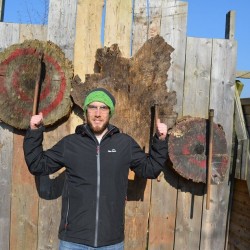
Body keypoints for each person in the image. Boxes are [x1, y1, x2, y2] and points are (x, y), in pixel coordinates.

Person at [23, 87, 168, 250]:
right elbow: (38, 165)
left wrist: (160, 141)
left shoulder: (124, 144)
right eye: (92, 107)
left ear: (110, 112)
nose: (97, 113)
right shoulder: (71, 144)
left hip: (111, 242)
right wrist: (34, 132)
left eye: (103, 107)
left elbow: (150, 169)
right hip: (73, 242)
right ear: (86, 111)